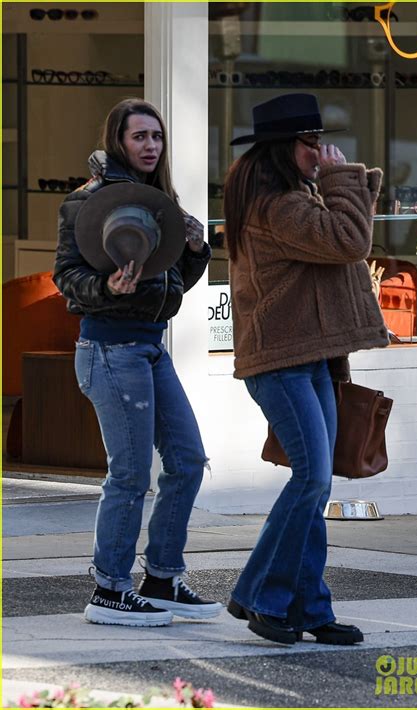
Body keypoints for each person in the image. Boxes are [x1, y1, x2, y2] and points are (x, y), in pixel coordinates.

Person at [223, 93, 389, 645]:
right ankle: (259, 597)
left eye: (319, 143)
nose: (320, 153)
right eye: (311, 144)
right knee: (312, 479)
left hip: (307, 356)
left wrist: (337, 186)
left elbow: (339, 244)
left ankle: (311, 608)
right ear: (284, 148)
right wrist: (345, 182)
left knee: (314, 486)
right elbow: (348, 240)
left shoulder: (289, 197)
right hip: (282, 363)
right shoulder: (277, 207)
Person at [54, 98, 222, 626]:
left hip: (149, 346)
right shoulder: (86, 204)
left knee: (188, 460)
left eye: (157, 136)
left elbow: (169, 288)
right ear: (117, 141)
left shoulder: (159, 201)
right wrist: (105, 286)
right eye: (139, 137)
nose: (151, 146)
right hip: (108, 349)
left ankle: (163, 577)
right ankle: (109, 587)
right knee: (129, 474)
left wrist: (195, 252)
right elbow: (67, 280)